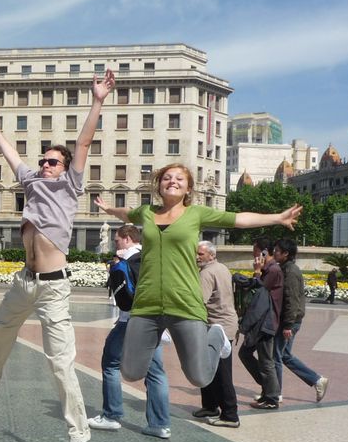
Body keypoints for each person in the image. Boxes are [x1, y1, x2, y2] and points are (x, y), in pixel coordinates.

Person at [0, 70, 115, 442]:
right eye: (45, 160)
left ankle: (78, 433)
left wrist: (97, 100)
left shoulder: (70, 185)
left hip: (53, 286)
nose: (46, 165)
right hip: (24, 281)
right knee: (1, 327)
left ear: (65, 168)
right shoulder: (30, 180)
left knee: (60, 362)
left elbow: (83, 142)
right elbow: (12, 156)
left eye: (53, 162)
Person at [94, 165, 301, 393]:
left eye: (179, 179)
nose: (172, 181)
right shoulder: (147, 213)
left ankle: (216, 336)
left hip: (184, 304)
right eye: (167, 178)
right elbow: (127, 214)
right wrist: (109, 209)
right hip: (146, 304)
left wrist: (277, 218)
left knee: (200, 377)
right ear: (159, 186)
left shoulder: (196, 214)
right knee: (130, 371)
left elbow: (239, 219)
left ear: (188, 188)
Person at [88, 224, 171, 439]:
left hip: (130, 321)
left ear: (127, 238)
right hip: (154, 321)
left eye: (116, 240)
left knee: (111, 363)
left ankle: (111, 415)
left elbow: (122, 300)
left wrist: (116, 267)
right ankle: (159, 424)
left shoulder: (125, 262)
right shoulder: (154, 259)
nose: (115, 243)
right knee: (155, 373)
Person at [273, 238, 329, 403]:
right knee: (284, 355)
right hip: (291, 320)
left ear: (286, 254)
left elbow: (291, 299)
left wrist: (288, 325)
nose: (274, 252)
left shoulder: (290, 271)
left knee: (276, 355)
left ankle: (275, 393)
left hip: (290, 321)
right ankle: (317, 380)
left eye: (277, 250)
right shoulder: (286, 268)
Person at [195, 240, 240, 427]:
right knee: (207, 368)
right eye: (197, 253)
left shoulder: (206, 273)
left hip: (217, 327)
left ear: (211, 255)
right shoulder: (222, 268)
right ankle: (210, 405)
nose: (197, 257)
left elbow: (199, 302)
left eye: (201, 254)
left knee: (221, 372)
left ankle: (230, 414)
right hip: (225, 325)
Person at [237, 237, 284, 410]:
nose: (253, 254)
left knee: (266, 361)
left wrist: (257, 272)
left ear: (264, 251)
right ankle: (267, 388)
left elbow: (259, 291)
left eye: (255, 250)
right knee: (245, 353)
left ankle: (272, 397)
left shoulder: (273, 270)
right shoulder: (267, 269)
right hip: (260, 321)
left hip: (267, 322)